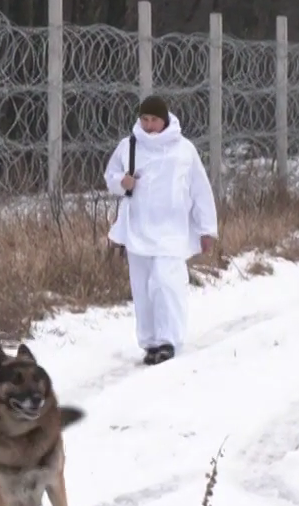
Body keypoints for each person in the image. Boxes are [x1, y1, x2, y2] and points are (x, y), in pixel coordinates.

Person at [103, 95, 218, 366]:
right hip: (138, 229)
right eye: (144, 119)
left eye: (154, 119)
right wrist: (123, 182)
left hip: (172, 232)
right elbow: (111, 177)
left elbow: (200, 190)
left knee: (167, 283)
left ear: (164, 119)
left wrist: (206, 229)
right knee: (142, 288)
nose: (149, 125)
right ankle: (151, 341)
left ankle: (169, 340)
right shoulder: (129, 146)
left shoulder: (183, 150)